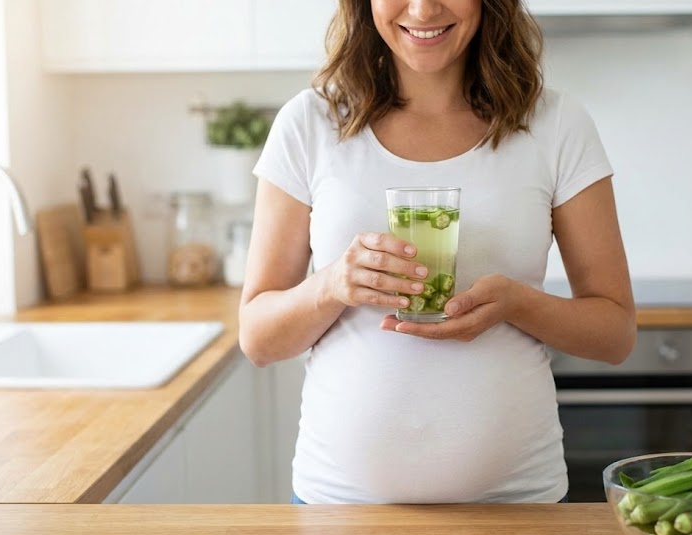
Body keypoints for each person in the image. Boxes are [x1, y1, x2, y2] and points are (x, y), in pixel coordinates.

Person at [239, 0, 636, 505]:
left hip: (518, 508)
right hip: (339, 512)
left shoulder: (556, 124)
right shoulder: (309, 123)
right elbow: (258, 339)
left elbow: (616, 335)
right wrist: (332, 285)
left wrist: (517, 303)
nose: (424, 9)